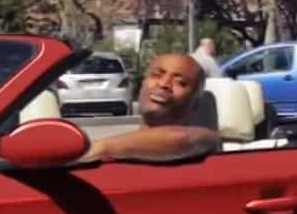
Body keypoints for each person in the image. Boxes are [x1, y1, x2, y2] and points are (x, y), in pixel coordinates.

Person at [77, 52, 222, 163]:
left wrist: (97, 149)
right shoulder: (121, 147)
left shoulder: (206, 140)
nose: (164, 84)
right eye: (157, 75)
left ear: (196, 103)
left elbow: (181, 138)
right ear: (142, 85)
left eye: (180, 82)